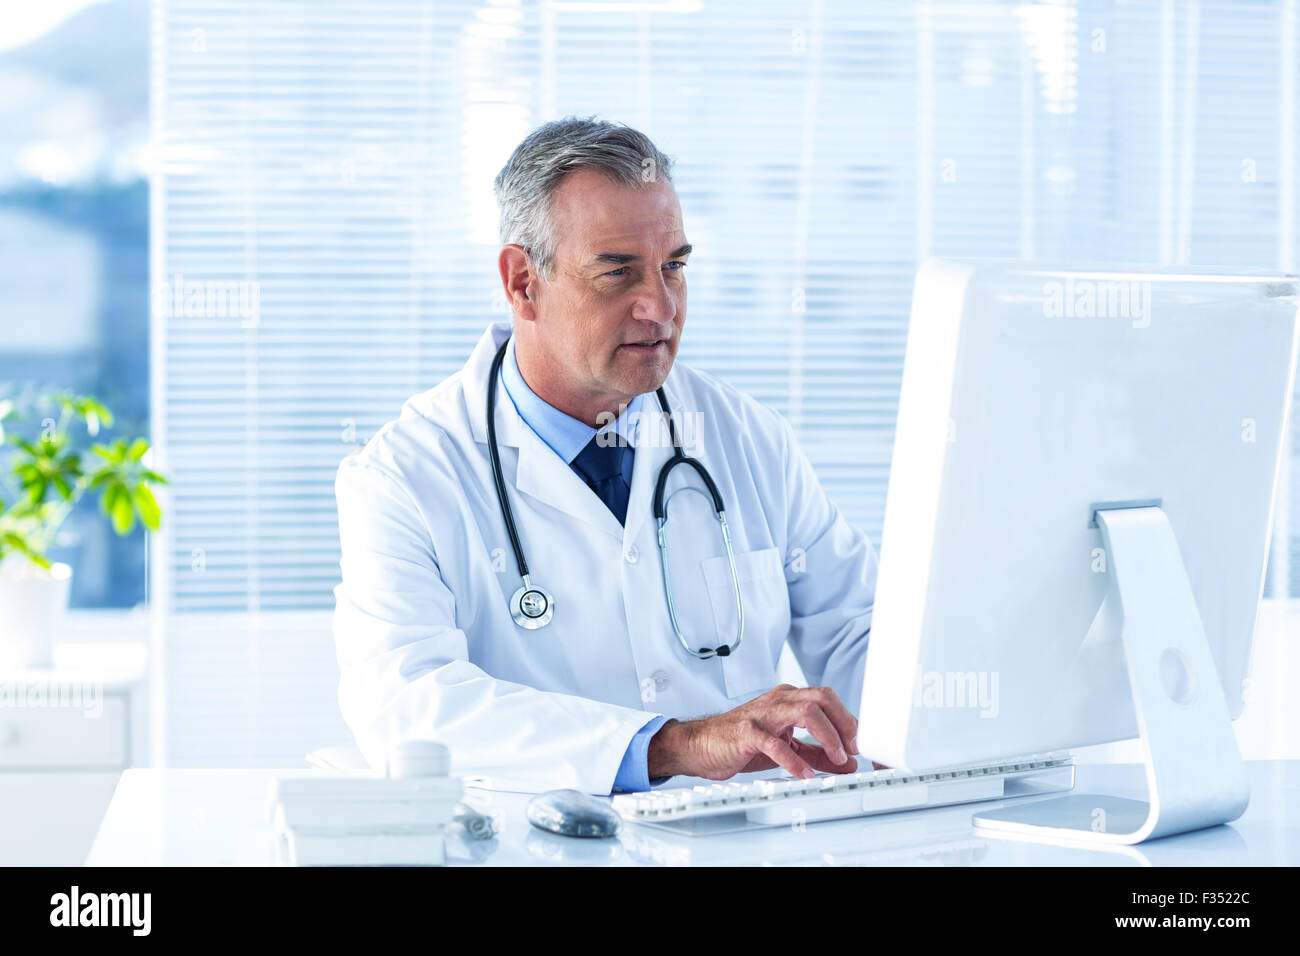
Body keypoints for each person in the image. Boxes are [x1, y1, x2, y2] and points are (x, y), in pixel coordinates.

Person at [332, 116, 880, 793]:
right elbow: (408, 706)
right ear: (522, 282)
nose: (659, 307)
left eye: (674, 267)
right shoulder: (405, 477)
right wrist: (677, 744)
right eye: (616, 273)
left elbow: (863, 633)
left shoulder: (747, 437)